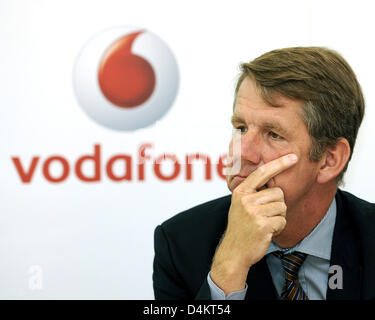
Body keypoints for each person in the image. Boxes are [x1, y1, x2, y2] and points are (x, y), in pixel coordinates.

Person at [152, 47, 375, 300]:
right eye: (241, 128)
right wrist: (229, 267)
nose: (243, 152)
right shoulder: (180, 244)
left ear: (329, 160)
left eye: (274, 134)